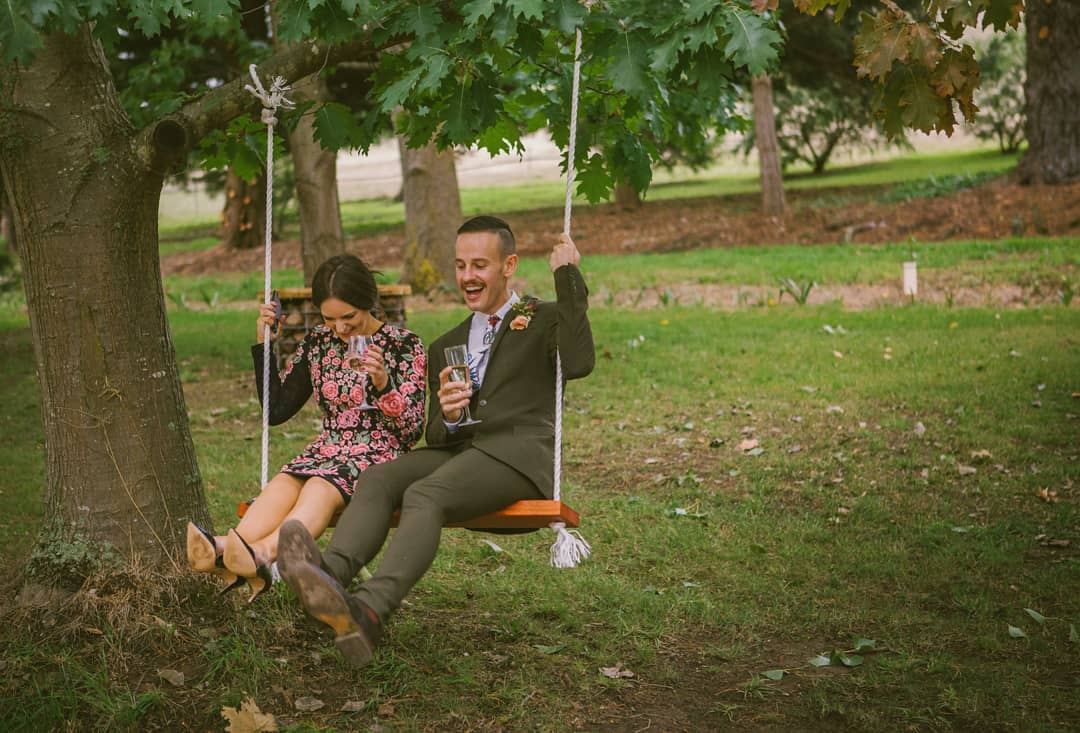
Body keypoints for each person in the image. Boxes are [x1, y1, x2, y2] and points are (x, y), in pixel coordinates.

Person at [276, 215, 594, 667]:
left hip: (517, 457)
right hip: (461, 452)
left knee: (426, 494)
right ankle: (329, 577)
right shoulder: (449, 342)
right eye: (460, 265)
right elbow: (436, 434)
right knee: (379, 478)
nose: (467, 276)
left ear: (509, 265)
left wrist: (567, 277)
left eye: (479, 265)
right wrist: (448, 412)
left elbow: (580, 362)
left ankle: (370, 611)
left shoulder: (542, 319)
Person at [186, 255, 427, 603]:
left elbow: (412, 431)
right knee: (287, 480)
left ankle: (263, 555)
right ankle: (227, 547)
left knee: (319, 485)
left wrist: (383, 384)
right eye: (329, 319)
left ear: (369, 303)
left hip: (379, 454)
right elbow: (277, 410)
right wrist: (264, 344)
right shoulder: (318, 344)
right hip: (328, 450)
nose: (340, 328)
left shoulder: (404, 345)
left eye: (349, 317)